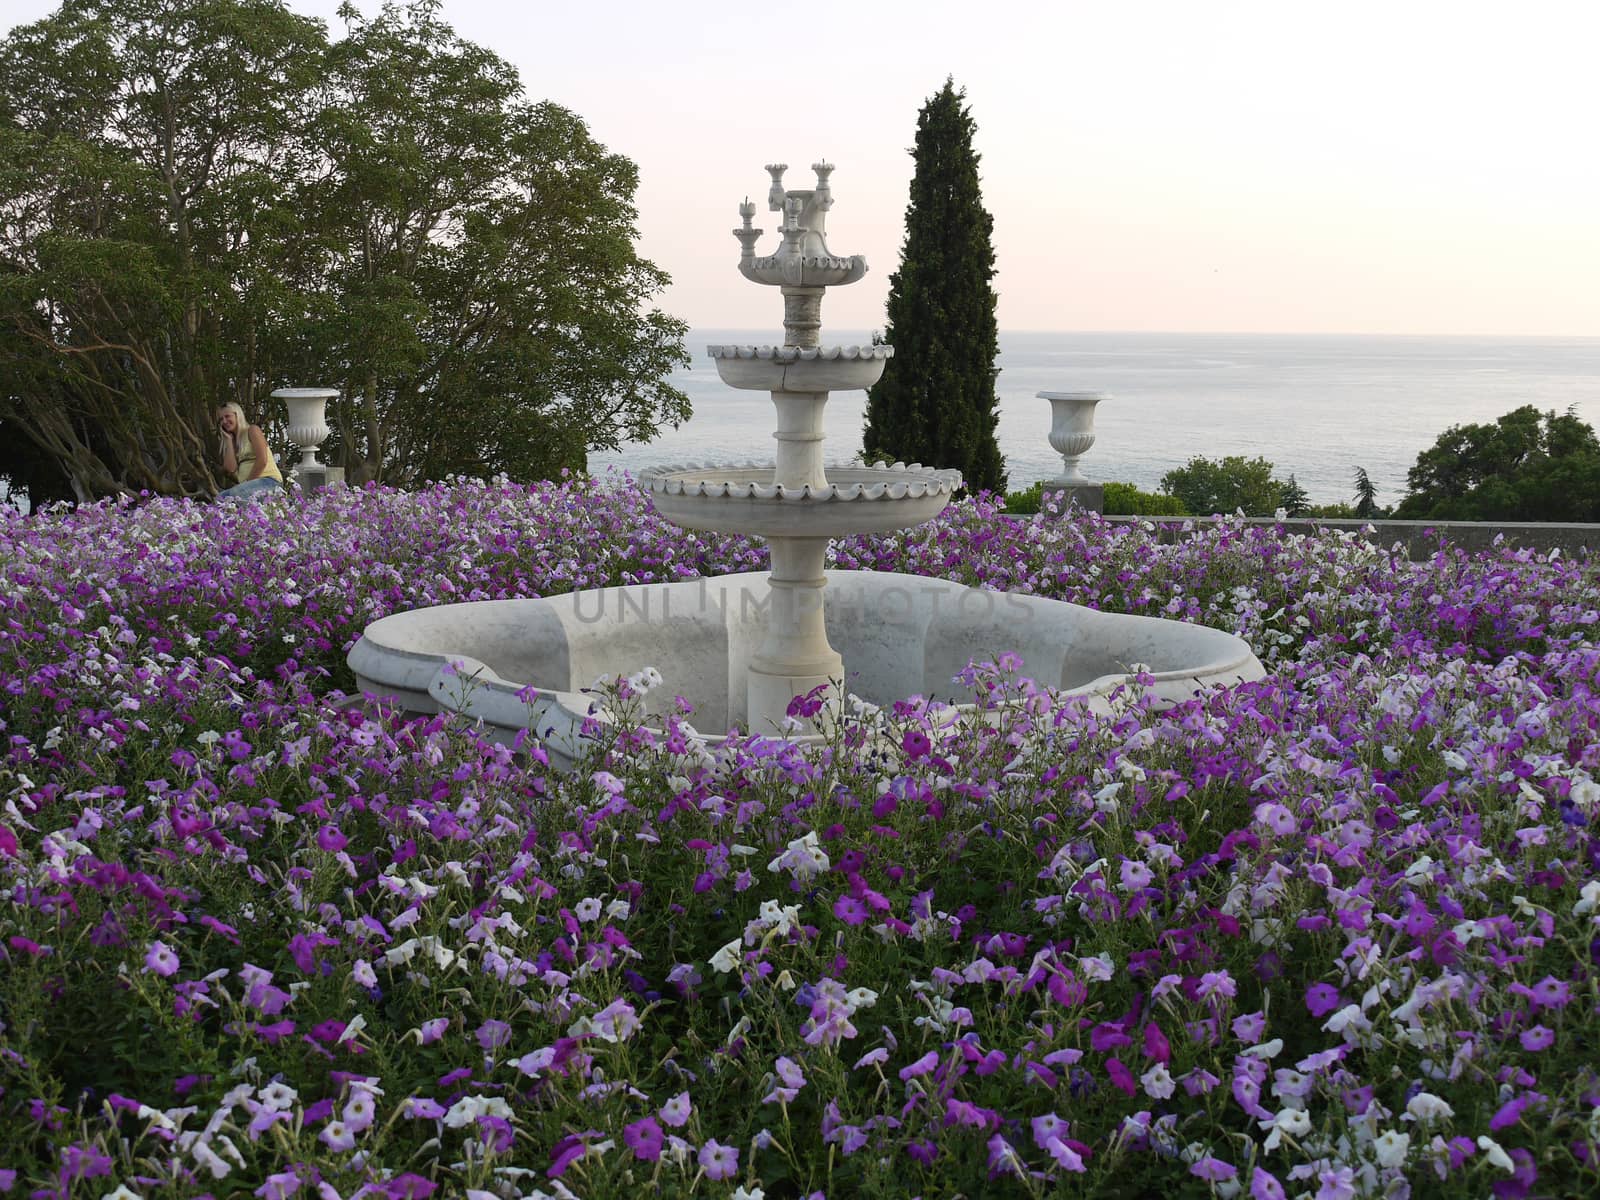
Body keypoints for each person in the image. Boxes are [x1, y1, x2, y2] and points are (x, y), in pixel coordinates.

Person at [215, 402, 285, 503]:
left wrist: (246, 484)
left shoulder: (252, 430)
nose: (224, 421)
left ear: (237, 415)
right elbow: (230, 468)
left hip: (269, 481)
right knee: (220, 499)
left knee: (237, 493)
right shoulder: (234, 441)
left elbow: (262, 461)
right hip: (248, 486)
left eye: (227, 416)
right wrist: (229, 440)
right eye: (221, 419)